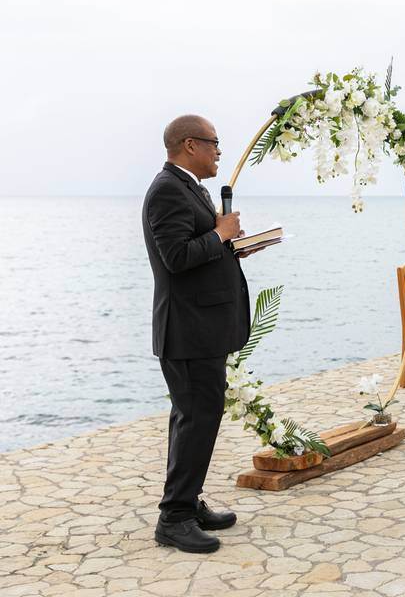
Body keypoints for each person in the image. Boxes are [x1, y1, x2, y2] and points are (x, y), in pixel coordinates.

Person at [142, 115, 252, 554]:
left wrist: (233, 243)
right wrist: (221, 233)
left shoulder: (190, 187)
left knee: (195, 417)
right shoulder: (168, 189)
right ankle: (174, 518)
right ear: (190, 144)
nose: (219, 152)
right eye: (214, 143)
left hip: (201, 327)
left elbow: (198, 246)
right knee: (196, 418)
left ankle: (186, 501)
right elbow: (175, 256)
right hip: (187, 330)